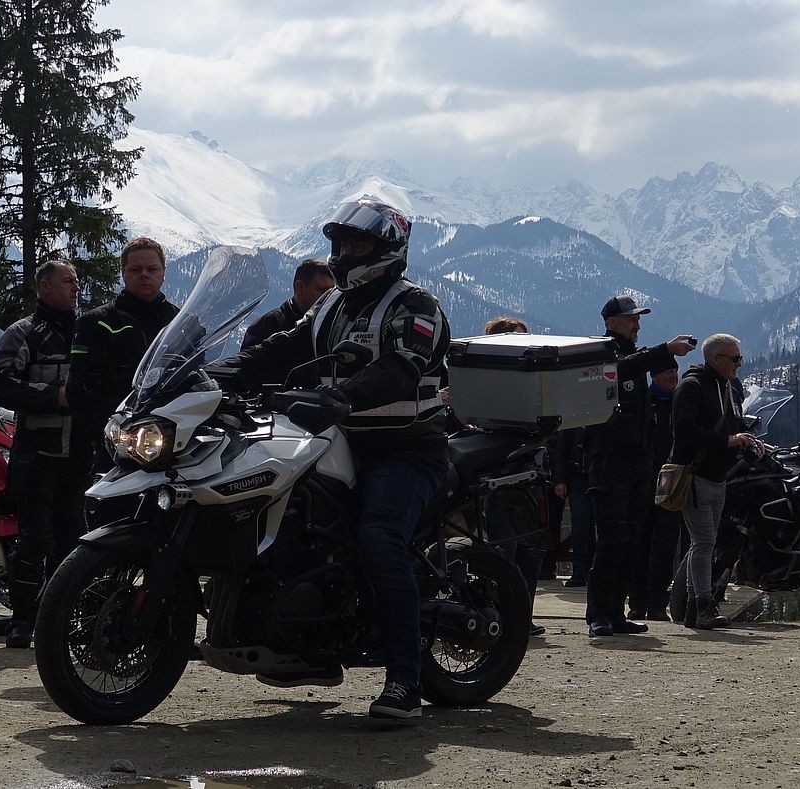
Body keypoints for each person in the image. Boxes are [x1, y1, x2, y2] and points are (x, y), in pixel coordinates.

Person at [208, 199, 449, 720]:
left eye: (357, 245)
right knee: (281, 516)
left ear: (386, 250)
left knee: (379, 537)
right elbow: (280, 348)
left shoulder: (416, 306)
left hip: (405, 449)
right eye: (340, 245)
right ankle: (302, 641)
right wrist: (212, 374)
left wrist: (343, 396)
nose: (344, 255)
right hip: (333, 441)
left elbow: (400, 368)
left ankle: (404, 681)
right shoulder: (330, 306)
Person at [0, 260, 86, 649]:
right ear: (44, 287)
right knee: (36, 539)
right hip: (38, 454)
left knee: (73, 541)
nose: (75, 287)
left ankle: (61, 620)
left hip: (80, 455)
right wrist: (53, 396)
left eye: (77, 281)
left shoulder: (88, 332)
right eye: (68, 281)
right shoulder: (23, 333)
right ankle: (22, 620)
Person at [584, 296, 694, 636]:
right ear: (611, 322)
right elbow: (619, 369)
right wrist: (666, 350)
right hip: (609, 460)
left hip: (637, 461)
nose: (637, 323)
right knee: (612, 539)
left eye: (638, 318)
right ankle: (598, 613)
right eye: (631, 318)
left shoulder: (633, 356)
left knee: (631, 539)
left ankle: (617, 612)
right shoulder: (602, 351)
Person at [67, 237, 179, 472]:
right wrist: (112, 436)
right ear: (123, 273)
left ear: (164, 273)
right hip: (118, 444)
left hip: (175, 438)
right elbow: (79, 390)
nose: (144, 275)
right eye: (136, 269)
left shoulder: (181, 323)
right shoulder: (96, 322)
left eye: (152, 269)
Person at [669, 333, 757, 629]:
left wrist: (746, 438)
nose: (739, 364)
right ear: (715, 358)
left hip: (719, 475)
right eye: (734, 358)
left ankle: (695, 610)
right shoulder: (691, 387)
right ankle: (702, 606)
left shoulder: (729, 386)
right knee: (704, 542)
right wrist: (727, 441)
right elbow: (684, 431)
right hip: (694, 474)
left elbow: (734, 422)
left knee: (704, 543)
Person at [476, 317, 547, 636]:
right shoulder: (483, 380)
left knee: (533, 550)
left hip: (532, 474)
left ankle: (522, 616)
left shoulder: (536, 382)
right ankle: (500, 615)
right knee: (505, 550)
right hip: (499, 476)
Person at [626, 360, 683, 621]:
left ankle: (658, 602)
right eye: (668, 371)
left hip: (672, 483)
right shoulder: (642, 402)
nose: (674, 376)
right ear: (654, 375)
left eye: (676, 371)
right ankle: (637, 601)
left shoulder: (680, 404)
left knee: (666, 544)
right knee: (639, 541)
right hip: (642, 480)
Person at [240, 259, 335, 349]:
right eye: (322, 290)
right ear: (300, 288)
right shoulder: (264, 327)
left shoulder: (333, 323)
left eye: (332, 291)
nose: (329, 296)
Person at [550, 426, 594, 587]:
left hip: (600, 477)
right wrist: (559, 480)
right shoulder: (575, 420)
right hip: (578, 478)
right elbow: (561, 450)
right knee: (579, 527)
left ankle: (593, 572)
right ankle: (579, 573)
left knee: (598, 530)